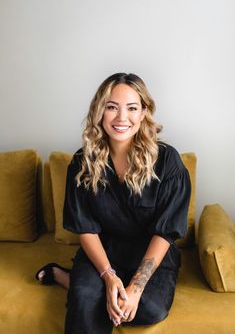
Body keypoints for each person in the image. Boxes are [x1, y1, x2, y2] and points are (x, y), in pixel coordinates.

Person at [35, 73, 191, 334]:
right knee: (85, 301)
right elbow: (85, 228)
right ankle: (78, 284)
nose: (121, 118)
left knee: (149, 308)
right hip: (103, 252)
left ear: (143, 113)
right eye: (111, 107)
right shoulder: (81, 163)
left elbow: (166, 232)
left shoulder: (168, 162)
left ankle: (66, 279)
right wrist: (108, 276)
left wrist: (135, 288)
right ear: (100, 111)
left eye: (132, 108)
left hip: (151, 255)